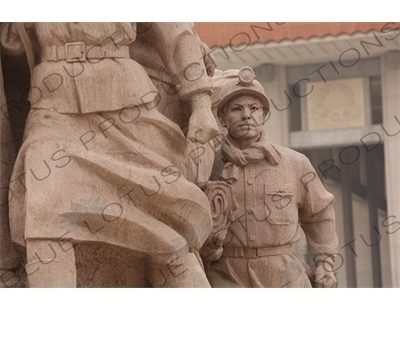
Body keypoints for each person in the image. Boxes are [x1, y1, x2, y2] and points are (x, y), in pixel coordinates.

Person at [1, 22, 219, 287]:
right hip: (53, 107)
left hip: (127, 107)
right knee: (44, 209)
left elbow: (174, 31)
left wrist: (201, 101)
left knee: (162, 215)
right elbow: (13, 46)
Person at [202, 67, 339, 288]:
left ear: (264, 115)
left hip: (284, 276)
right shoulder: (208, 165)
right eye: (236, 109)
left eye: (254, 108)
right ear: (222, 118)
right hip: (225, 275)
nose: (246, 115)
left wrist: (324, 263)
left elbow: (319, 213)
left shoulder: (295, 163)